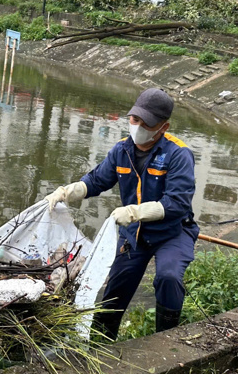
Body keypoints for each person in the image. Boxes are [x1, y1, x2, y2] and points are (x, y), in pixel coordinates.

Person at [45, 88, 198, 340]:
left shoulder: (178, 154)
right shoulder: (121, 150)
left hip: (172, 232)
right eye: (134, 119)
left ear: (163, 126)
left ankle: (166, 339)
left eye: (146, 123)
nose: (137, 126)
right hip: (134, 235)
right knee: (114, 291)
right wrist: (67, 192)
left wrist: (135, 211)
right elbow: (97, 181)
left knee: (168, 277)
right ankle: (101, 344)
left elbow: (178, 203)